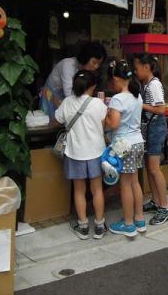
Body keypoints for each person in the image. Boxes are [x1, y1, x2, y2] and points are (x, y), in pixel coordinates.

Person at [54, 70, 108, 240]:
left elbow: (57, 119)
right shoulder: (98, 104)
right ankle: (99, 226)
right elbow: (104, 125)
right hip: (96, 152)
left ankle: (83, 226)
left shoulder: (67, 102)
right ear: (93, 87)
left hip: (75, 152)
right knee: (97, 190)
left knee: (79, 190)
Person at [105, 60, 146, 238]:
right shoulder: (137, 96)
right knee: (135, 181)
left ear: (115, 79)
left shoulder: (117, 99)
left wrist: (104, 117)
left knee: (125, 184)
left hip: (124, 145)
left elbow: (113, 124)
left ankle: (128, 224)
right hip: (138, 142)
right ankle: (139, 219)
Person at [134, 53, 168, 226]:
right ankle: (156, 201)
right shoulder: (147, 84)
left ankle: (165, 206)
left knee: (155, 169)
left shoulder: (154, 84)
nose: (136, 71)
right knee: (150, 168)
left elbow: (161, 109)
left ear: (146, 67)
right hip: (150, 129)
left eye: (137, 68)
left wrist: (139, 105)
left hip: (155, 129)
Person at [40, 41, 107, 118]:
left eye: (99, 64)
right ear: (86, 57)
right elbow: (68, 93)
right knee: (53, 124)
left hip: (66, 99)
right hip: (51, 98)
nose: (96, 67)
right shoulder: (68, 65)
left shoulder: (87, 71)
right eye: (94, 62)